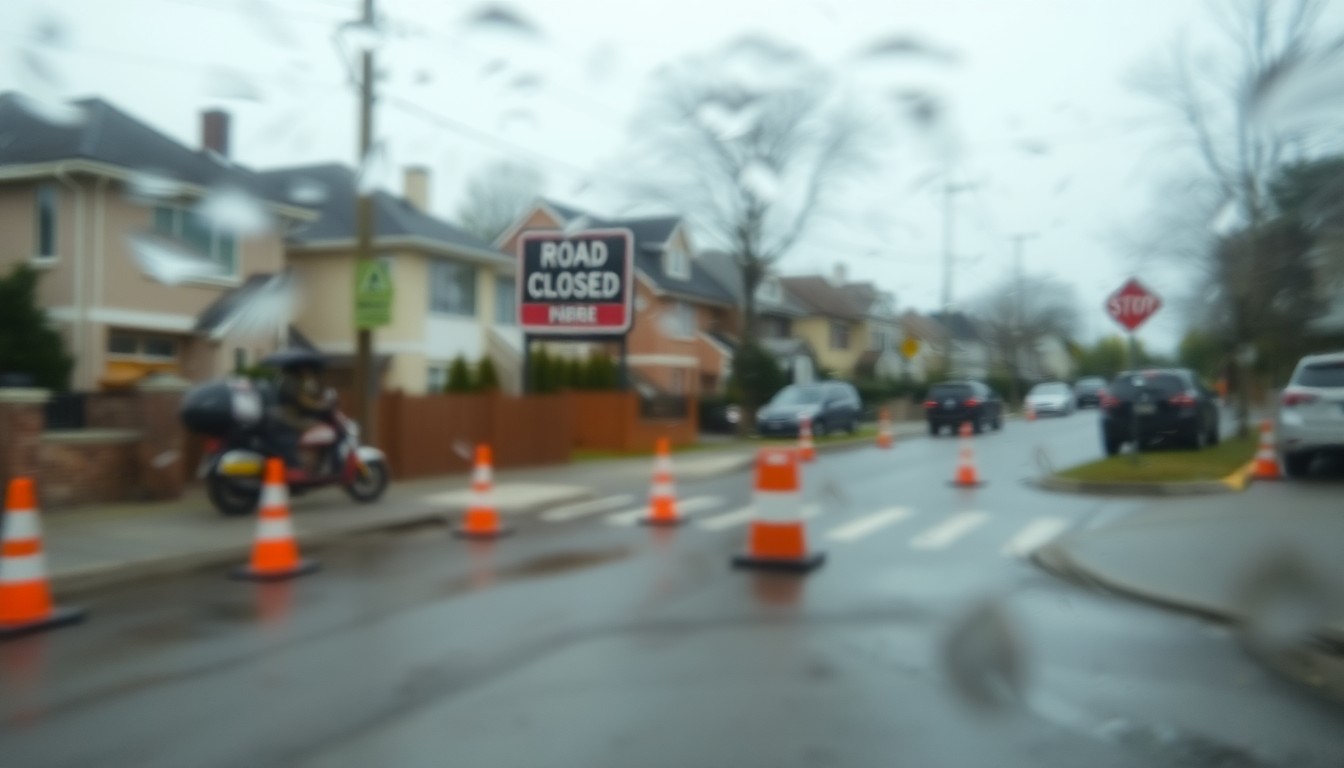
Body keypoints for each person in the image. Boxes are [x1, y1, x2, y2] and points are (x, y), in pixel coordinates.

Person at [272, 361, 335, 474]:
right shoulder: (290, 381)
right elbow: (302, 400)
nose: (306, 370)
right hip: (288, 417)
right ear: (297, 368)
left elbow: (306, 396)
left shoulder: (288, 379)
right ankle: (307, 463)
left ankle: (310, 462)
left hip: (285, 415)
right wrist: (320, 405)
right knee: (318, 427)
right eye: (304, 368)